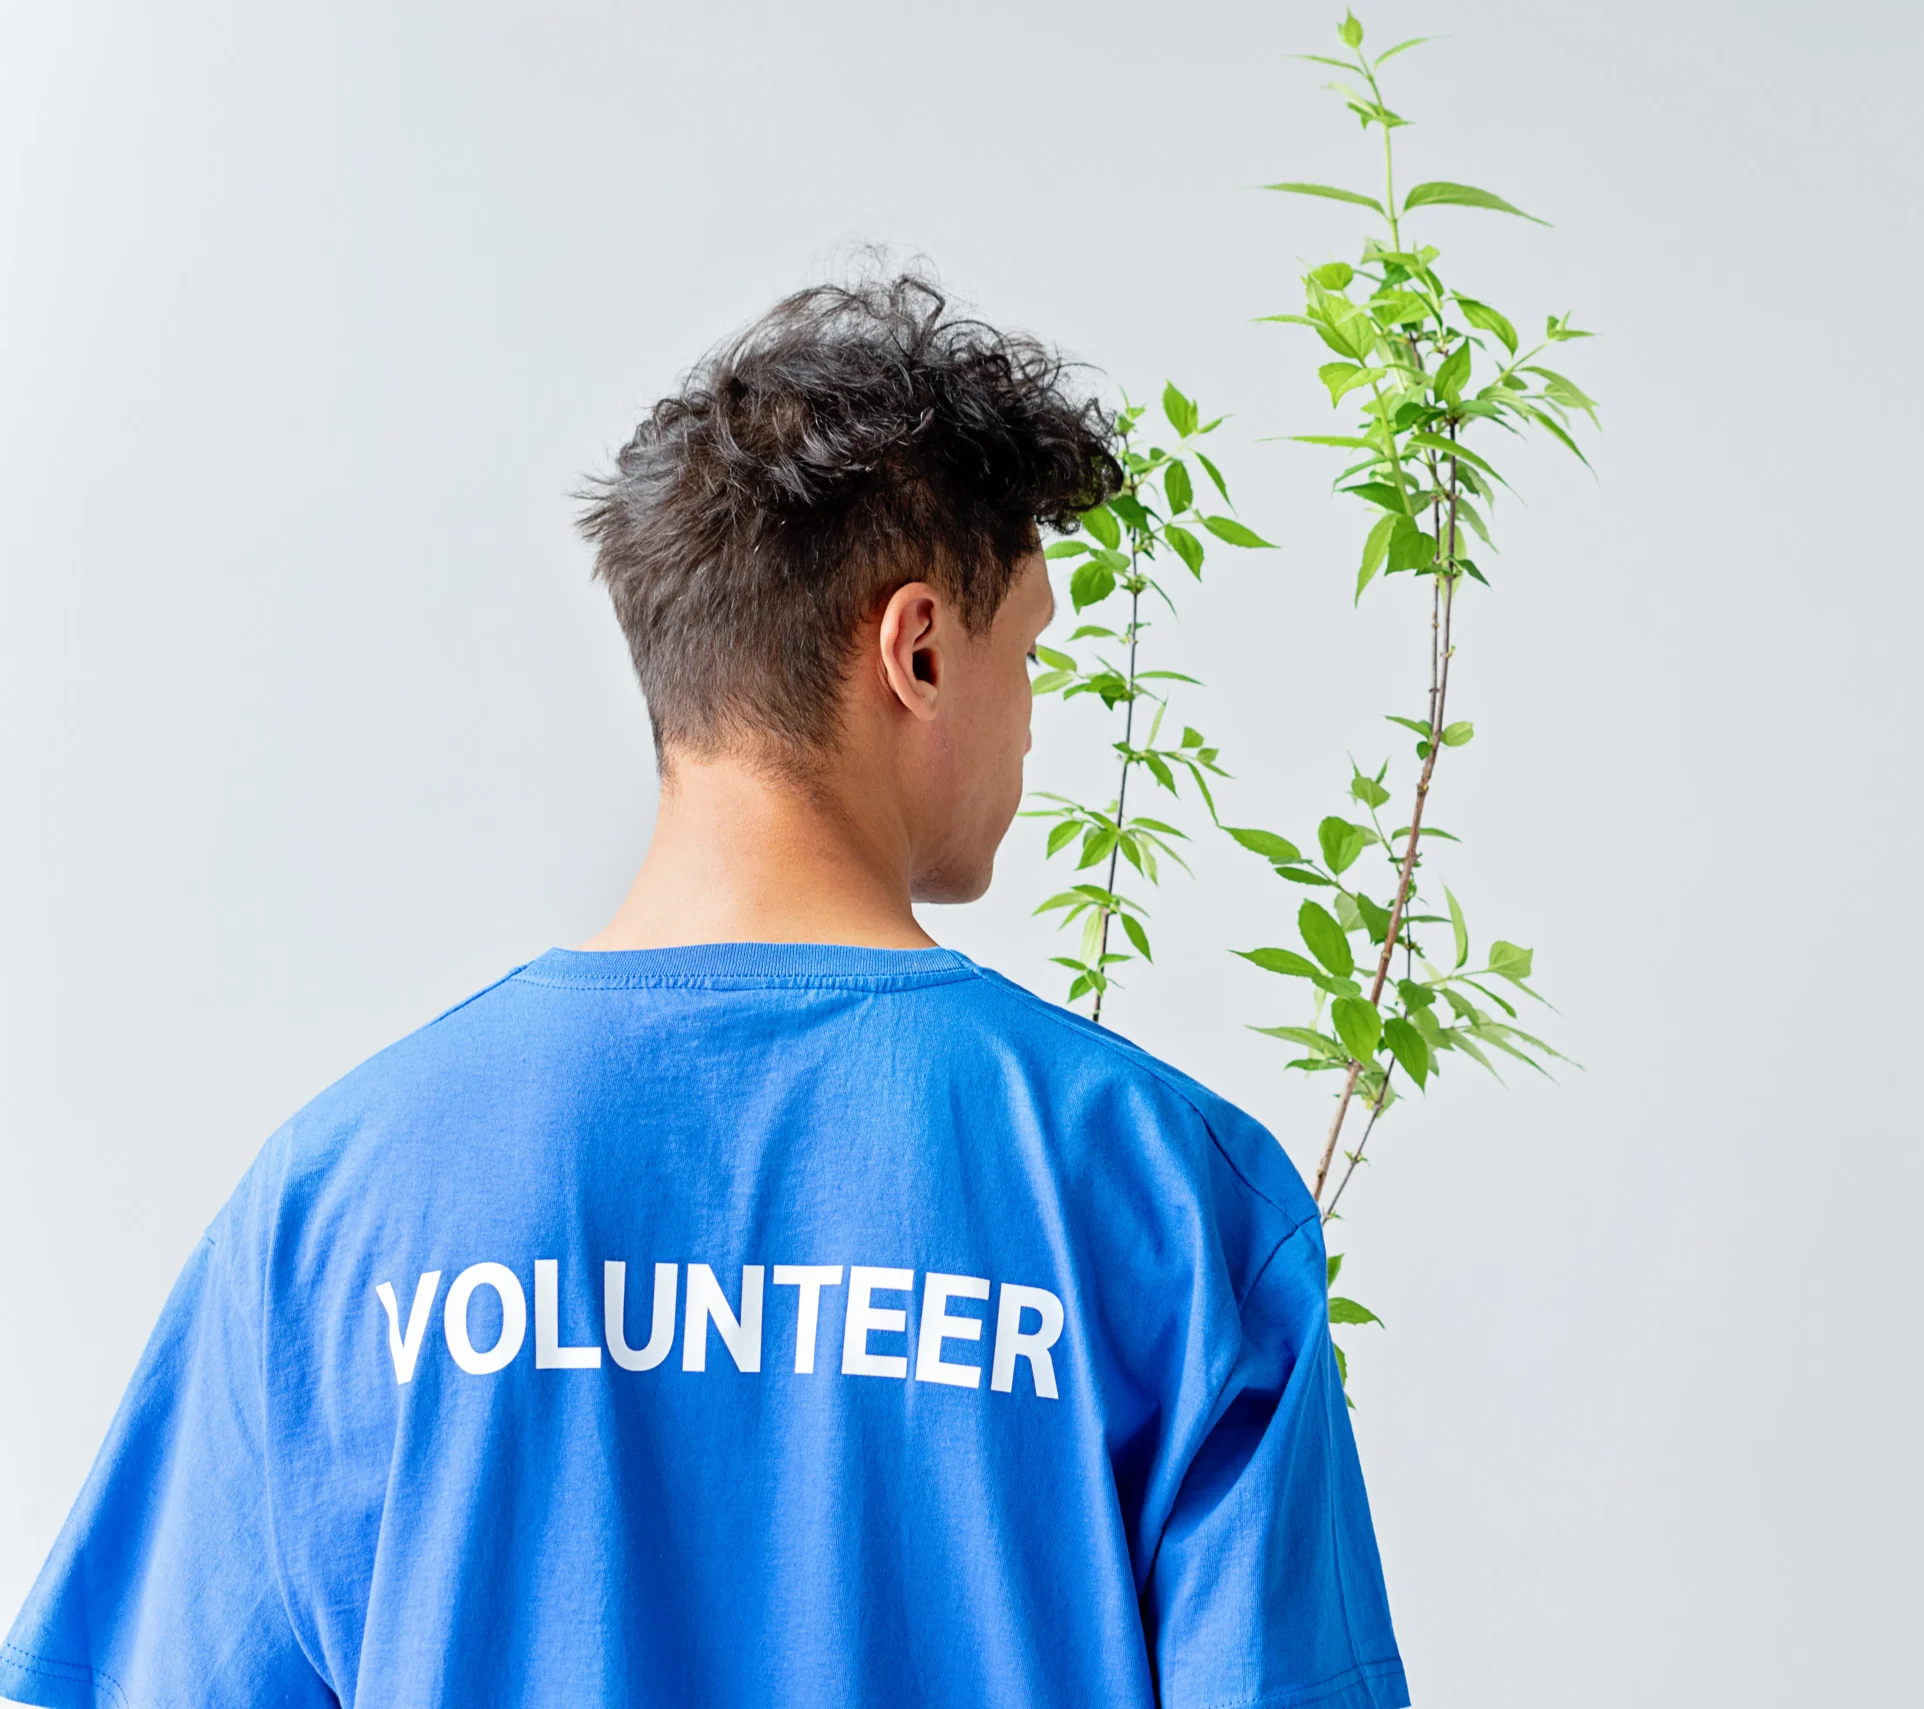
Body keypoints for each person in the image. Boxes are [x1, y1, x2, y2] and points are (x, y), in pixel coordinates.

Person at [0, 276, 1407, 1709]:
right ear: (918, 649)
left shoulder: (335, 1209)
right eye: (1029, 650)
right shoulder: (1167, 1198)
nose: (1033, 715)